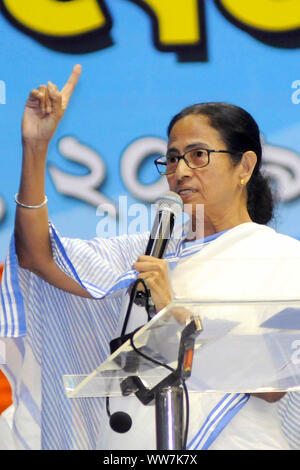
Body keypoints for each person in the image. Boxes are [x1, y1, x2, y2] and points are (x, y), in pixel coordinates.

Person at [0, 65, 300, 450]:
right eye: (172, 158)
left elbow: (272, 386)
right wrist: (36, 148)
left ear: (244, 166)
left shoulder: (284, 259)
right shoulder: (147, 255)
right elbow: (37, 256)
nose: (180, 171)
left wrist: (172, 312)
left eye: (198, 155)